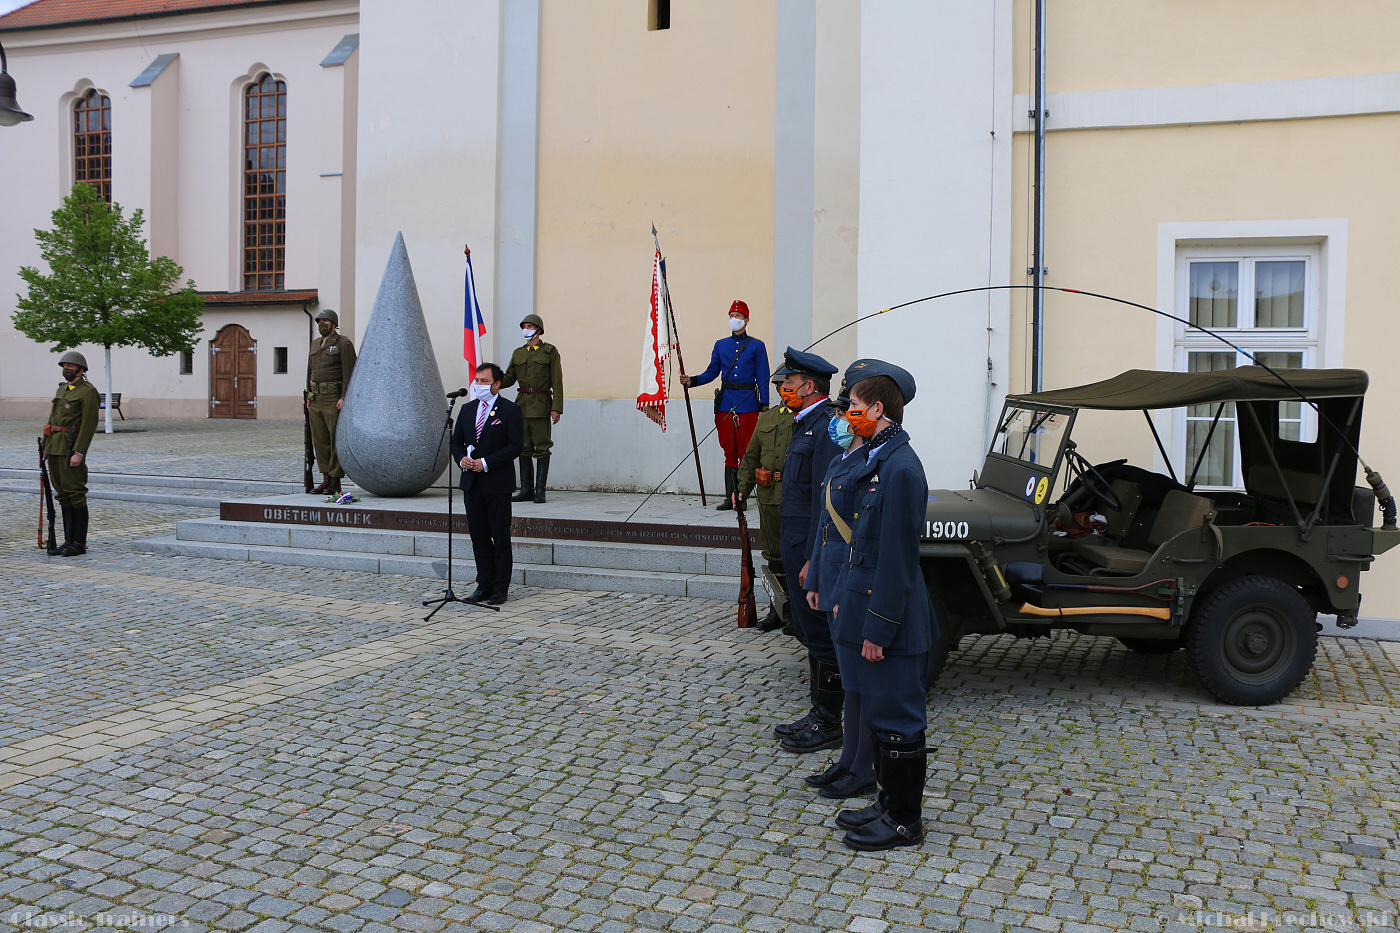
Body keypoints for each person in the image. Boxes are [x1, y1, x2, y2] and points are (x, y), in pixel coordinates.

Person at [805, 360, 936, 851]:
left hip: (893, 622)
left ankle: (904, 821)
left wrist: (878, 630)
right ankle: (886, 803)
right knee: (881, 716)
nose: (846, 415)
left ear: (878, 410)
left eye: (854, 408)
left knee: (900, 720)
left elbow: (897, 560)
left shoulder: (901, 468)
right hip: (867, 609)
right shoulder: (878, 459)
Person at [680, 300, 769, 511]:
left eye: (739, 316)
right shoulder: (721, 345)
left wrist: (762, 406)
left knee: (746, 452)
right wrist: (691, 381)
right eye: (732, 315)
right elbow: (712, 372)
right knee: (729, 452)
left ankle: (742, 497)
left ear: (747, 320)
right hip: (726, 404)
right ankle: (731, 498)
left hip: (747, 404)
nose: (734, 319)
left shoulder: (757, 345)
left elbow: (763, 377)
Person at [451, 363, 524, 605]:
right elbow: (456, 442)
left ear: (497, 384)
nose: (479, 385)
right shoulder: (468, 409)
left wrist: (486, 462)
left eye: (484, 381)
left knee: (499, 536)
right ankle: (483, 585)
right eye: (477, 380)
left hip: (497, 483)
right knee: (478, 536)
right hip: (472, 483)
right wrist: (461, 459)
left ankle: (500, 588)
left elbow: (515, 446)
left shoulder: (510, 410)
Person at [734, 372, 794, 633]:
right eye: (780, 386)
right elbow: (751, 456)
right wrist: (741, 489)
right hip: (769, 498)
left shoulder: (807, 417)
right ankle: (776, 610)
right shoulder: (768, 417)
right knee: (773, 557)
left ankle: (797, 612)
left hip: (795, 498)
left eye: (787, 385)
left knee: (797, 556)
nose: (783, 390)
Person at [500, 313, 563, 504]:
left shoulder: (549, 351)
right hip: (521, 406)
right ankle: (526, 489)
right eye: (524, 326)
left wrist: (557, 408)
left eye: (529, 326)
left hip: (541, 405)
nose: (526, 329)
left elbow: (557, 381)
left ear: (538, 330)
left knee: (542, 447)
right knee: (523, 448)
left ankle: (539, 490)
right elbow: (509, 378)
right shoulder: (518, 353)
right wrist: (492, 382)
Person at [42, 350, 100, 556]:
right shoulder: (62, 390)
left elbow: (89, 424)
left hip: (70, 448)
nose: (66, 369)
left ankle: (79, 543)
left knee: (75, 494)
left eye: (69, 366)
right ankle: (68, 540)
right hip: (55, 448)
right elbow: (51, 420)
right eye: (64, 366)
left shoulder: (87, 391)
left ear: (81, 369)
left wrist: (80, 452)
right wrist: (45, 447)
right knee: (62, 495)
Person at [306, 308, 357, 497]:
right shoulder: (315, 344)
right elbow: (310, 371)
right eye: (319, 321)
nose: (321, 324)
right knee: (320, 441)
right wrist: (308, 396)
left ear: (334, 324)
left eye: (325, 321)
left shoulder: (343, 344)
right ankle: (325, 477)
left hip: (333, 398)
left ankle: (335, 480)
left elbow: (350, 372)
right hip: (316, 399)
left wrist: (344, 397)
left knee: (334, 439)